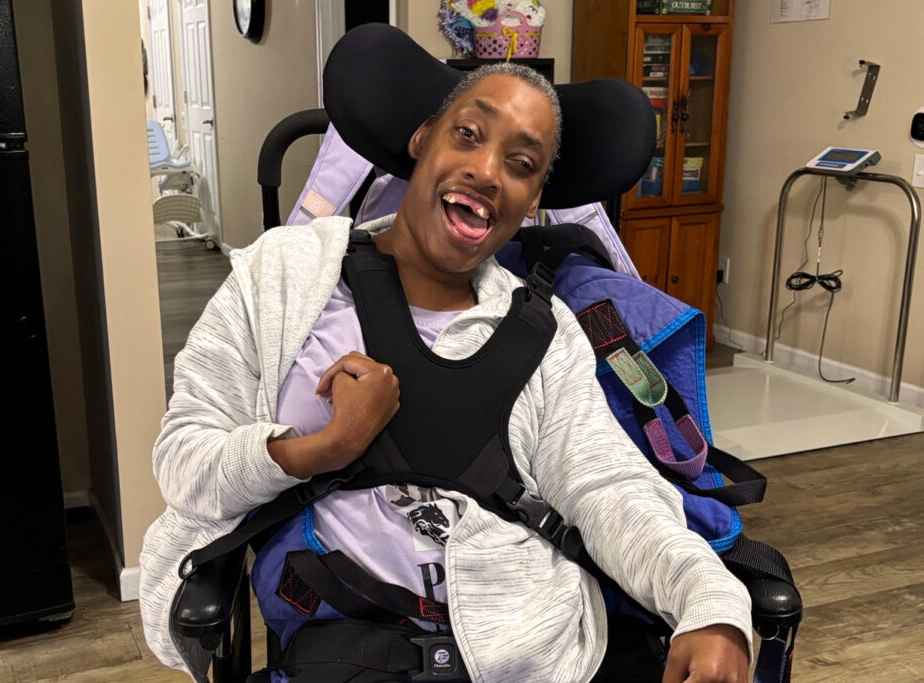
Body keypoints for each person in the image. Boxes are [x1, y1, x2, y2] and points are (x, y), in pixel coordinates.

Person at [140, 53, 752, 683]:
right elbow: (185, 461)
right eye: (468, 134)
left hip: (529, 650)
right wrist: (318, 449)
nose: (487, 171)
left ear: (535, 197)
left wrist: (711, 605)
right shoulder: (285, 279)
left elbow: (610, 491)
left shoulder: (544, 334)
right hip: (348, 649)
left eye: (521, 165)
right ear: (422, 137)